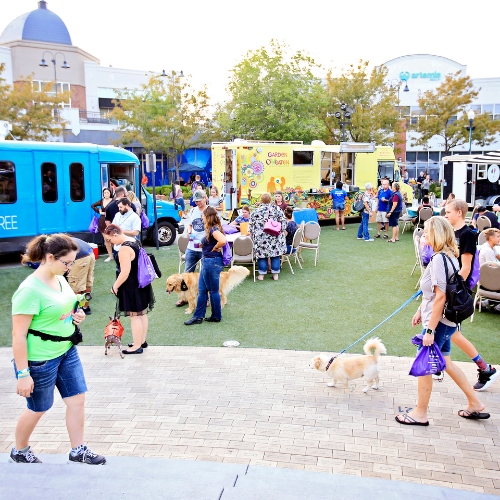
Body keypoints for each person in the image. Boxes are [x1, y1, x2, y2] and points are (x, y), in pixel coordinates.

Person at [10, 234, 106, 464]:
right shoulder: (29, 291)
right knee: (38, 407)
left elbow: (69, 304)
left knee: (77, 400)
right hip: (40, 360)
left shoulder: (60, 278)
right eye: (67, 263)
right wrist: (23, 374)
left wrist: (77, 314)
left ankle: (78, 450)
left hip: (66, 350)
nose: (70, 267)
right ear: (50, 257)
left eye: (73, 262)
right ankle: (20, 451)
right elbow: (18, 335)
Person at [395, 217, 489, 426]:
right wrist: (420, 309)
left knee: (425, 367)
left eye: (427, 232)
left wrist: (429, 331)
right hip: (446, 322)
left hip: (437, 323)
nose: (423, 236)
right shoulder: (450, 256)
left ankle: (420, 413)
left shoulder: (438, 259)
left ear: (436, 234)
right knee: (445, 362)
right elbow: (438, 292)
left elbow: (440, 297)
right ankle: (474, 402)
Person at [445, 199, 498, 391]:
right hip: (451, 289)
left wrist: (451, 289)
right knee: (451, 333)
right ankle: (482, 368)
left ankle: (485, 369)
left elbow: (465, 268)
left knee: (452, 333)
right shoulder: (451, 232)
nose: (446, 215)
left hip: (457, 292)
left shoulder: (467, 234)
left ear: (459, 212)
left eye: (448, 212)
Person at [104, 225, 154, 353]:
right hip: (142, 282)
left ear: (115, 235)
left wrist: (115, 286)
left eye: (109, 240)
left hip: (131, 285)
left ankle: (137, 346)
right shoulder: (134, 240)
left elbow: (125, 272)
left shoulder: (124, 249)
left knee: (134, 316)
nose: (109, 243)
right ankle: (141, 341)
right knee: (142, 313)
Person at [184, 207, 227, 325]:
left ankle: (215, 315)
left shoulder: (213, 229)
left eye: (203, 216)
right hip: (209, 261)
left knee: (213, 291)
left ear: (207, 217)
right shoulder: (212, 229)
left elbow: (223, 240)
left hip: (211, 262)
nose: (202, 218)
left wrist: (216, 247)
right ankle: (200, 316)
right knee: (203, 290)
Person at [249, 193, 286, 281]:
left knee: (262, 255)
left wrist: (253, 235)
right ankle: (275, 275)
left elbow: (251, 226)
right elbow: (284, 222)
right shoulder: (277, 209)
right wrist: (280, 231)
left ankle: (261, 275)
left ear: (261, 200)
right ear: (270, 200)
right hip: (275, 237)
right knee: (275, 254)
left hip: (261, 238)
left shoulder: (256, 211)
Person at [105, 186, 136, 263]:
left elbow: (107, 221)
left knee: (119, 261)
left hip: (116, 238)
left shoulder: (109, 206)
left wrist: (112, 232)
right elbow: (136, 219)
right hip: (130, 237)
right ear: (123, 194)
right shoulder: (131, 205)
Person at [66, 238, 95, 315]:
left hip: (80, 258)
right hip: (91, 253)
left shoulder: (51, 246)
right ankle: (86, 308)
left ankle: (75, 310)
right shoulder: (63, 239)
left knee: (75, 285)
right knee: (87, 283)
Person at [185, 190, 208, 275]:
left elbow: (216, 229)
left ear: (205, 198)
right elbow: (190, 225)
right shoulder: (192, 211)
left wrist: (206, 241)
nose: (197, 202)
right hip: (191, 247)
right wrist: (189, 231)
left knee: (206, 274)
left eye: (199, 200)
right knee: (187, 273)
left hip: (205, 248)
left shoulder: (210, 211)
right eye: (196, 201)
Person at [478, 228, 500, 313]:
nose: (499, 238)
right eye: (498, 237)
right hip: (488, 282)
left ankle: (485, 302)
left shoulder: (491, 247)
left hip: (487, 278)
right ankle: (497, 307)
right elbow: (495, 270)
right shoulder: (487, 251)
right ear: (491, 238)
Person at [91, 187, 113, 261]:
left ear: (110, 193)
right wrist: (99, 211)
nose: (106, 194)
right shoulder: (101, 200)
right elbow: (93, 205)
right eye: (105, 193)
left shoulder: (113, 201)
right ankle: (110, 256)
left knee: (113, 238)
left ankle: (116, 253)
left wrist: (108, 213)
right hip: (102, 221)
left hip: (111, 221)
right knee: (106, 239)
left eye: (107, 192)